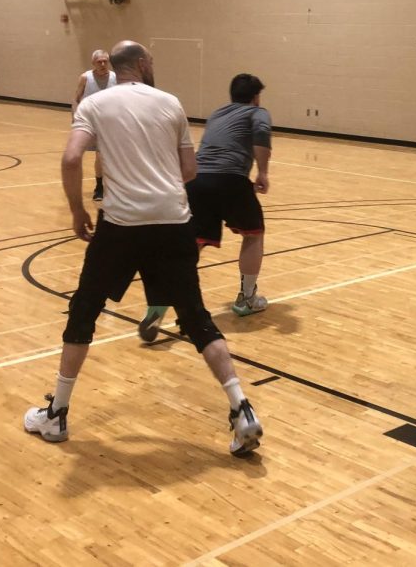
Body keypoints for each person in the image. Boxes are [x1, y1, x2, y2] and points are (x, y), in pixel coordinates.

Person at [24, 41, 263, 457]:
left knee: (84, 311)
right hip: (173, 222)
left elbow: (70, 158)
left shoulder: (94, 106)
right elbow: (189, 169)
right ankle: (241, 409)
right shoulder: (171, 103)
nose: (154, 65)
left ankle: (57, 413)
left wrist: (78, 209)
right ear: (137, 64)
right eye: (150, 59)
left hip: (121, 226)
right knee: (197, 316)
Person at [138, 72, 272, 342]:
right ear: (256, 97)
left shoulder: (218, 113)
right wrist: (263, 172)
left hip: (198, 181)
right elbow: (261, 134)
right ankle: (247, 298)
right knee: (254, 233)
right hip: (231, 178)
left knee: (192, 245)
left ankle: (161, 302)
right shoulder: (257, 112)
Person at [72, 49, 117, 200]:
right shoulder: (86, 78)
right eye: (100, 62)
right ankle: (99, 187)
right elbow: (77, 98)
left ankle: (114, 186)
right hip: (93, 123)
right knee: (100, 156)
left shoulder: (115, 77)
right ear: (93, 63)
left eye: (105, 61)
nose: (103, 64)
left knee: (112, 157)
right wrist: (76, 118)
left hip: (111, 123)